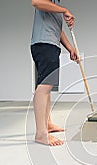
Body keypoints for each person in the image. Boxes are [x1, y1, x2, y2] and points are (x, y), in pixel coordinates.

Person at [30, 0, 78, 146]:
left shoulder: (55, 4)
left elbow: (57, 29)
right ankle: (41, 134)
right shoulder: (52, 4)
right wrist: (64, 10)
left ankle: (47, 124)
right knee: (44, 87)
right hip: (45, 44)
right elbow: (36, 2)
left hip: (50, 44)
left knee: (47, 87)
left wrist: (70, 48)